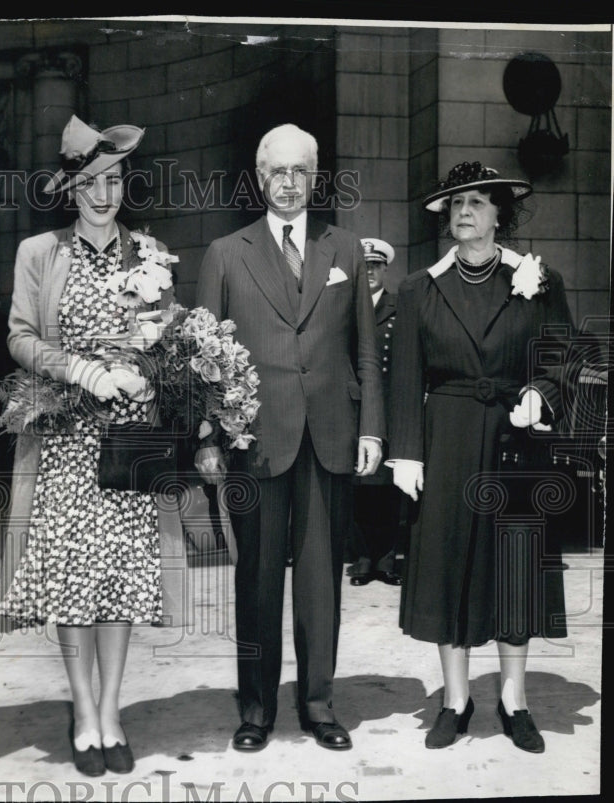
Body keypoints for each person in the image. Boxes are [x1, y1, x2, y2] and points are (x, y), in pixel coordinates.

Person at [0, 114, 183, 777]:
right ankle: (82, 712)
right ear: (71, 188)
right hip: (68, 439)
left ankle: (111, 710)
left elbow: (171, 337)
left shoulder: (150, 253)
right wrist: (80, 370)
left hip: (130, 437)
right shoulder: (40, 253)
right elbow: (19, 335)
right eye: (91, 182)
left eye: (114, 181)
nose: (103, 194)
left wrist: (150, 369)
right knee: (73, 578)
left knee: (122, 578)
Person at [196, 124, 383, 752]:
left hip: (330, 435)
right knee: (256, 578)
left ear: (315, 177)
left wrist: (373, 429)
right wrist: (208, 437)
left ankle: (319, 704)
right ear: (259, 178)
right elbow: (205, 357)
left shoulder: (345, 249)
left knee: (321, 578)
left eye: (299, 171)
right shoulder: (226, 253)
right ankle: (255, 710)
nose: (288, 182)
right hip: (254, 439)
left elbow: (364, 350)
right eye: (277, 171)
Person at [389, 161, 572, 753]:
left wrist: (540, 394)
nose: (463, 211)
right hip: (446, 439)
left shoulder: (539, 279)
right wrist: (406, 454)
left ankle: (515, 700)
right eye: (455, 203)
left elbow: (562, 360)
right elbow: (405, 378)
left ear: (499, 214)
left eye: (477, 202)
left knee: (513, 568)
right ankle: (456, 700)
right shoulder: (419, 288)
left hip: (515, 442)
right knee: (449, 566)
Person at [346, 238, 406, 587]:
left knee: (388, 489)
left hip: (390, 408)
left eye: (376, 266)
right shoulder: (345, 307)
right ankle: (363, 559)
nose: (370, 271)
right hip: (355, 408)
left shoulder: (400, 307)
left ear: (385, 269)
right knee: (359, 487)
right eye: (364, 266)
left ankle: (386, 560)